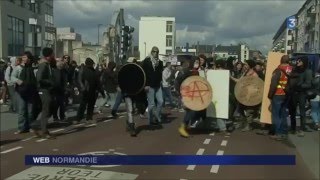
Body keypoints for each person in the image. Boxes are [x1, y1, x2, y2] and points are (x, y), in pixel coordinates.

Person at [142, 46, 164, 126]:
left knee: (161, 101)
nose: (155, 53)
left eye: (157, 52)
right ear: (151, 52)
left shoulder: (160, 62)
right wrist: (145, 84)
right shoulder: (147, 61)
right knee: (151, 104)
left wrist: (161, 81)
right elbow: (143, 73)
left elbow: (160, 73)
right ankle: (150, 120)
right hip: (149, 85)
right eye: (154, 51)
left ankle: (156, 116)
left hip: (158, 85)